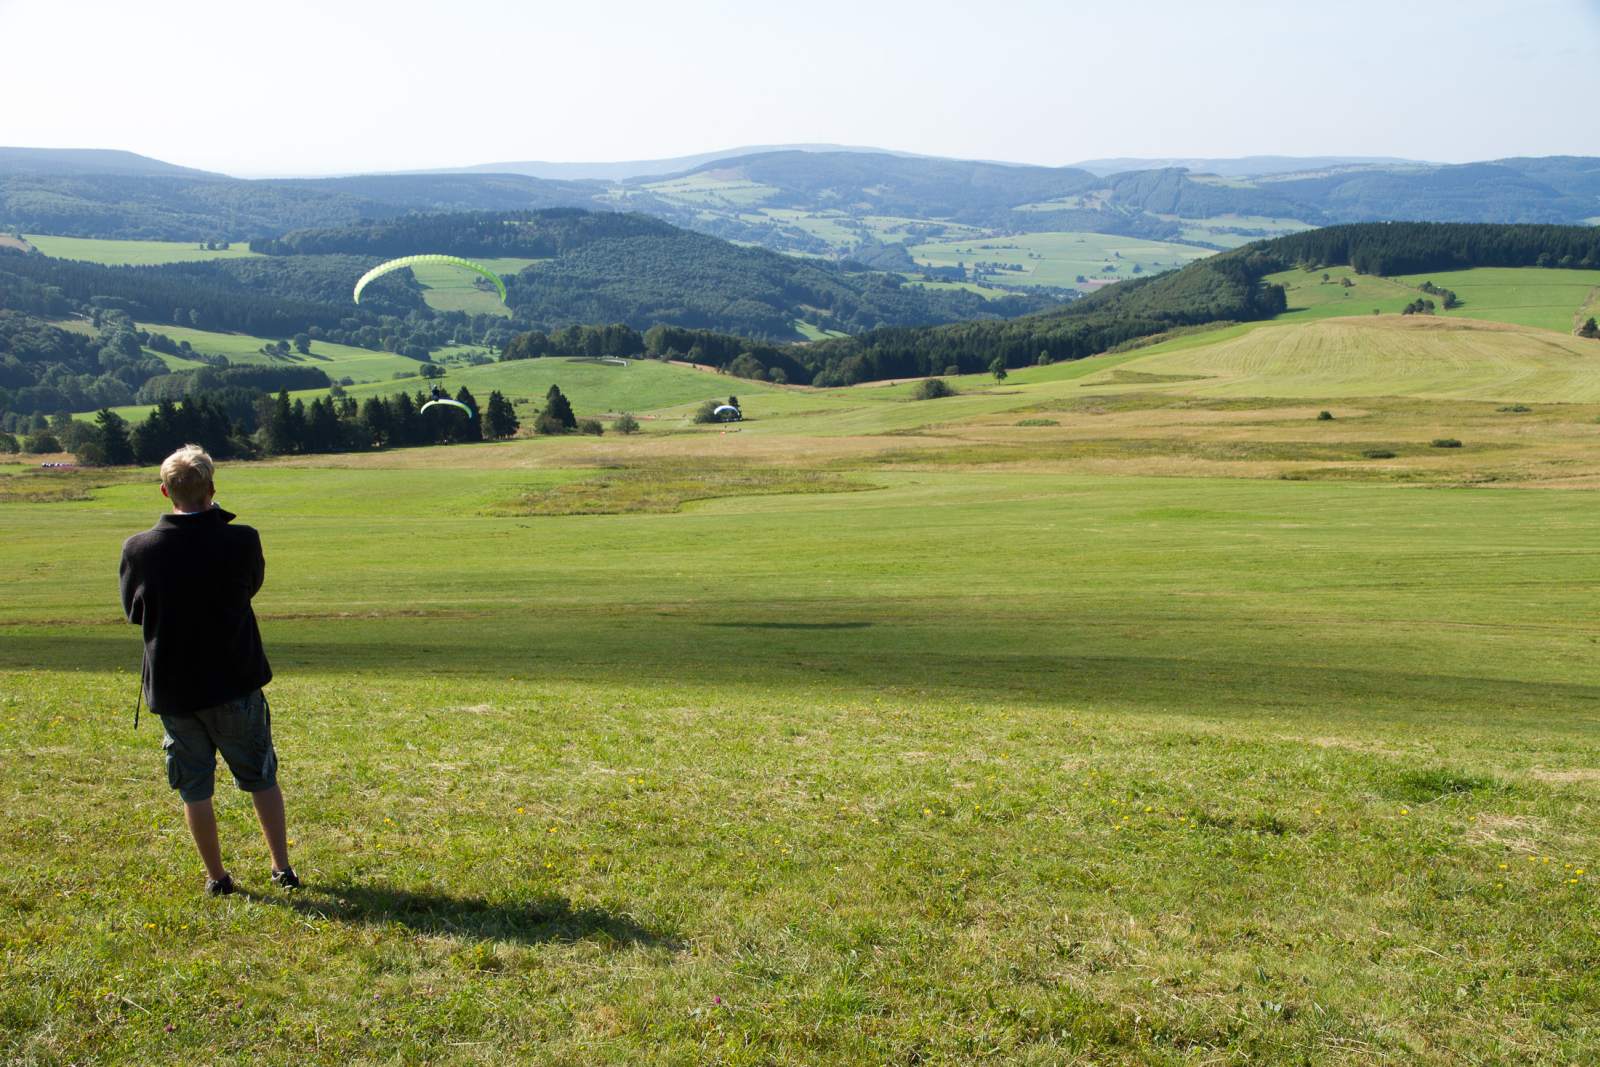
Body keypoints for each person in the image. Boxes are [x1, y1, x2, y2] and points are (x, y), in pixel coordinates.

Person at [119, 444, 298, 896]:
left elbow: (135, 612)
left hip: (174, 690)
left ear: (165, 491)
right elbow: (250, 586)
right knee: (260, 776)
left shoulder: (138, 549)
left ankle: (217, 877)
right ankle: (281, 868)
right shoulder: (242, 540)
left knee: (194, 788)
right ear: (212, 489)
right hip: (234, 682)